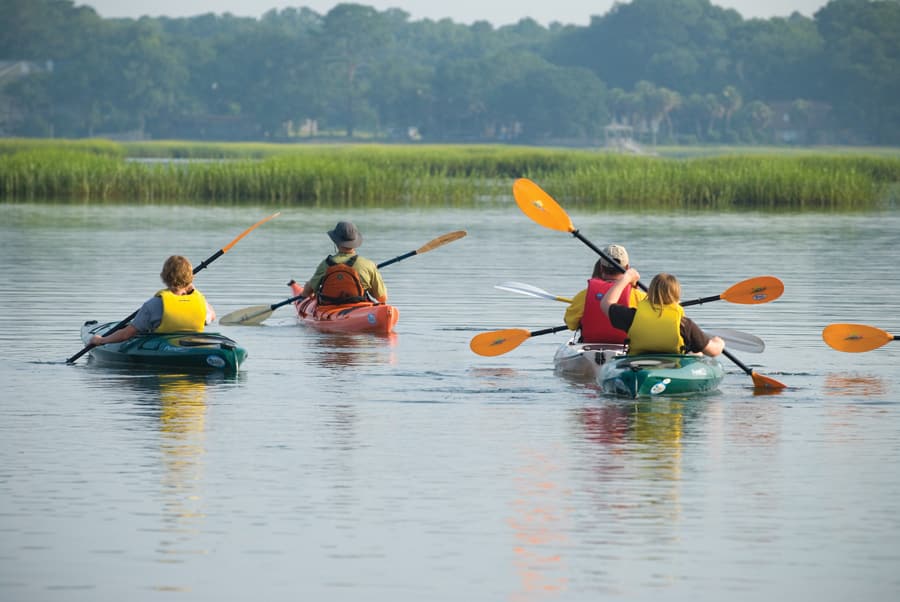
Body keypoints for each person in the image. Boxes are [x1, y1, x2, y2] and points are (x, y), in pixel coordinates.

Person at [90, 255, 217, 346]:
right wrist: (197, 293)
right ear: (191, 278)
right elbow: (212, 316)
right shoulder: (200, 302)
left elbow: (126, 335)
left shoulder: (154, 304)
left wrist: (101, 340)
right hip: (193, 345)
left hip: (163, 346)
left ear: (163, 276)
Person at [600, 268, 724, 356]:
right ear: (676, 295)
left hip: (637, 366)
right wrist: (719, 342)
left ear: (650, 293)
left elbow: (606, 303)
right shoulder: (685, 325)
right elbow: (713, 352)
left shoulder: (632, 317)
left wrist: (626, 278)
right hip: (674, 368)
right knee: (698, 354)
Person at [564, 244, 646, 344]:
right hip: (625, 352)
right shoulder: (640, 297)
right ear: (627, 267)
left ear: (601, 268)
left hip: (589, 350)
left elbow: (570, 324)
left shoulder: (583, 296)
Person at [299, 221, 388, 305]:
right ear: (355, 242)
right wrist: (373, 270)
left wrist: (302, 297)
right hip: (358, 308)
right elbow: (382, 298)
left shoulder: (325, 264)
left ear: (336, 242)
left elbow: (308, 291)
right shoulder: (368, 265)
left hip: (328, 309)